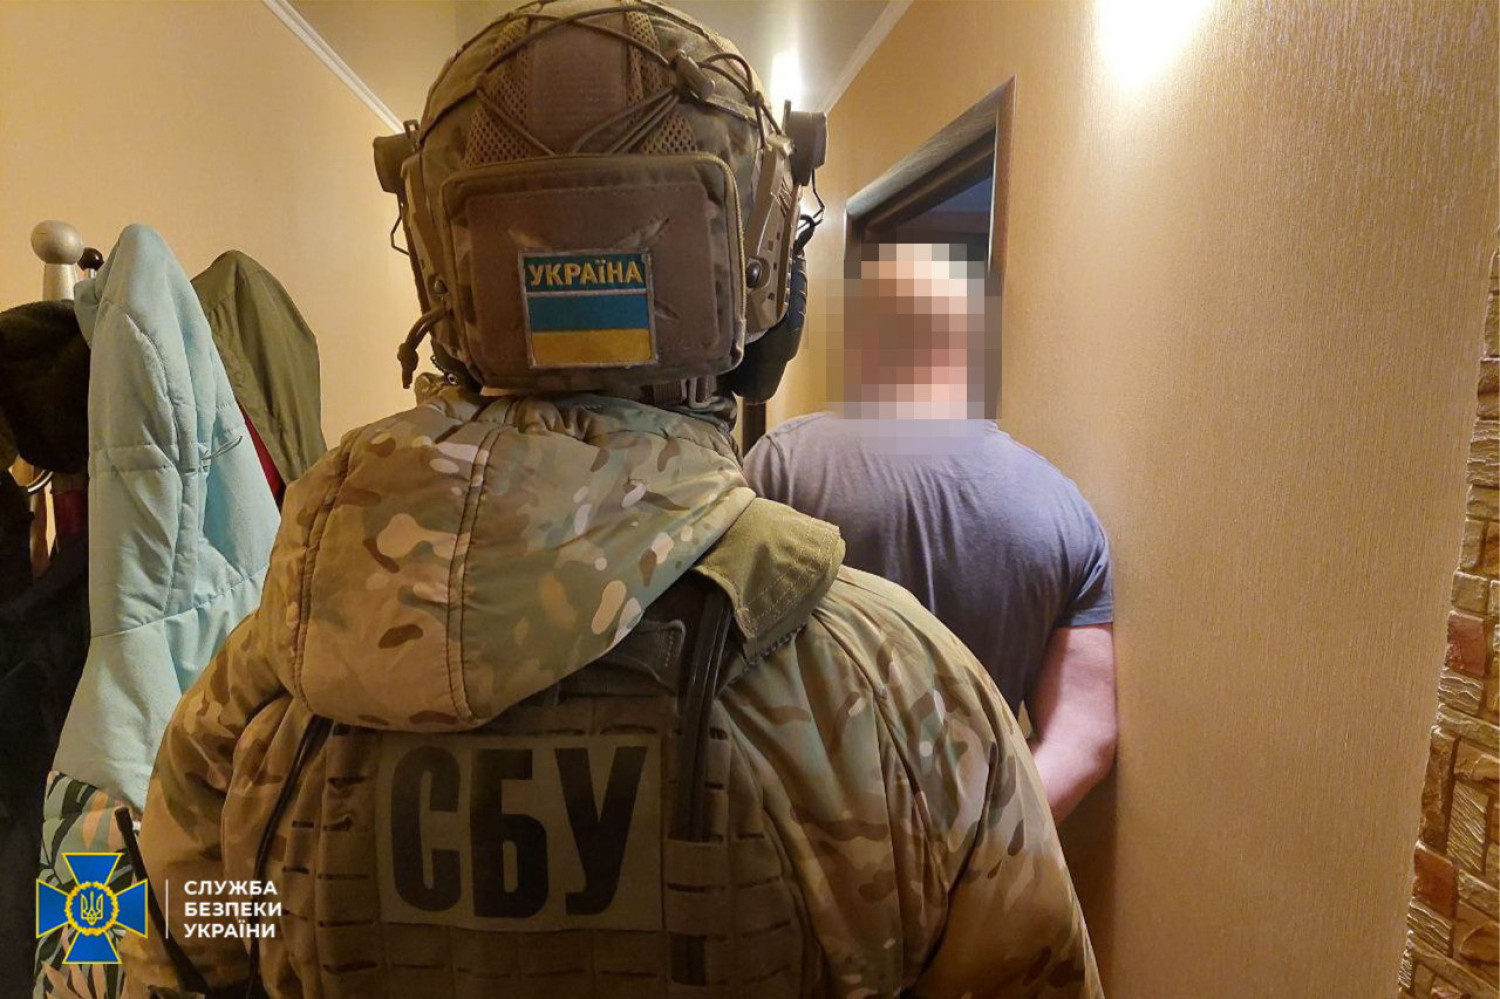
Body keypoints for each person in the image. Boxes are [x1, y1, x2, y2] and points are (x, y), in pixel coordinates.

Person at [122, 4, 1100, 996]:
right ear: (770, 314)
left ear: (440, 282)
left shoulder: (263, 680)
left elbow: (156, 944)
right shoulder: (901, 691)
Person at [745, 243, 1117, 823]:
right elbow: (1084, 737)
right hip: (978, 854)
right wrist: (980, 845)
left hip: (803, 843)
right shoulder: (1062, 509)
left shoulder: (782, 464)